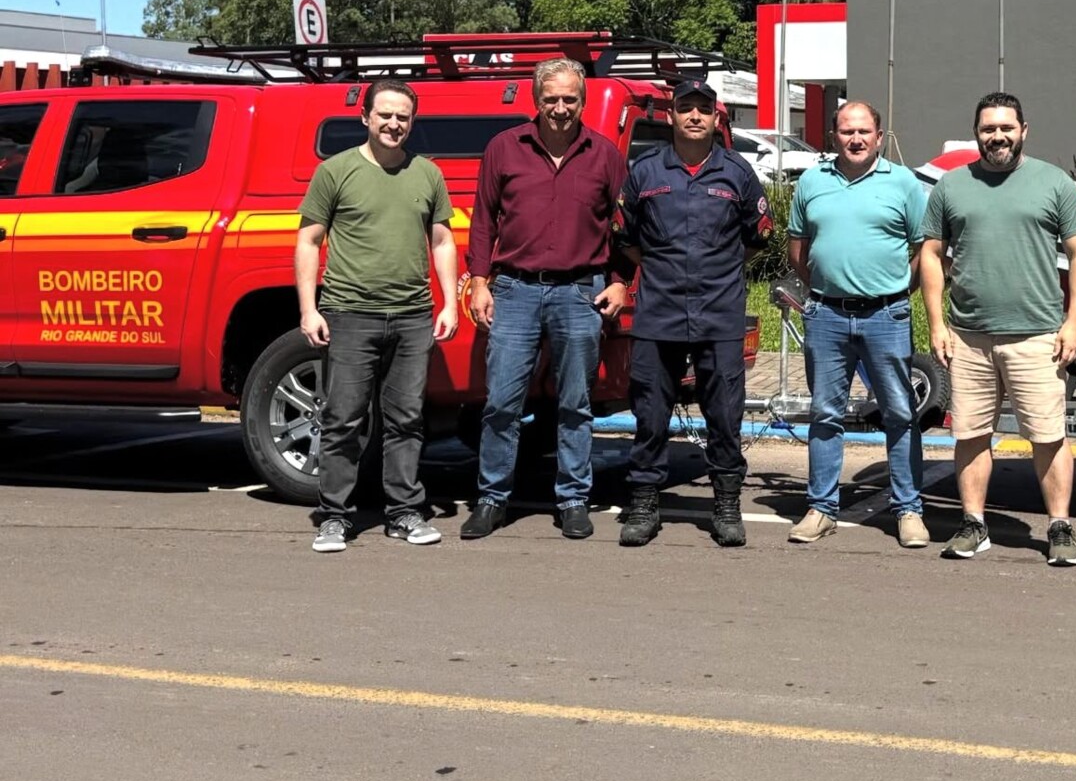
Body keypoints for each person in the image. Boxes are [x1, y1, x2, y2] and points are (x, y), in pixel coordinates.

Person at [920, 92, 1076, 567]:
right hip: (968, 337)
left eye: (1006, 128)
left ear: (1023, 130)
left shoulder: (1053, 183)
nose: (997, 136)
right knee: (971, 435)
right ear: (976, 133)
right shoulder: (952, 187)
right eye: (988, 129)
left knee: (1048, 435)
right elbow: (931, 256)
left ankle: (1059, 527)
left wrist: (1073, 322)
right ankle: (974, 525)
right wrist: (936, 323)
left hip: (1037, 335)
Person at [462, 58, 630, 541]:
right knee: (500, 403)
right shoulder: (504, 148)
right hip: (514, 289)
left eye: (570, 99)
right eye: (551, 99)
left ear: (581, 100)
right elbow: (483, 219)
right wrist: (478, 280)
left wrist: (620, 281)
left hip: (581, 291)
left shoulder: (603, 155)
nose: (560, 108)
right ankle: (492, 499)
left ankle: (574, 498)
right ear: (537, 100)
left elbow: (626, 229)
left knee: (575, 403)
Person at [296, 78, 459, 553]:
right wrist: (309, 309)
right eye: (384, 114)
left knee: (406, 420)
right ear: (365, 117)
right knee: (343, 419)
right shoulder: (336, 171)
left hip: (412, 317)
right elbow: (308, 240)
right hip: (349, 314)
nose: (393, 123)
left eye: (402, 117)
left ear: (412, 122)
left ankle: (404, 513)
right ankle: (333, 517)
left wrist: (449, 301)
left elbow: (443, 241)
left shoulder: (427, 173)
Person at [613, 78, 773, 548]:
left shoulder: (737, 172)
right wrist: (661, 270)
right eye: (686, 108)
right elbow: (625, 236)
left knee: (724, 413)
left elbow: (758, 236)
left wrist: (719, 269)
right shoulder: (644, 171)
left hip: (720, 313)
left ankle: (726, 503)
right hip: (658, 313)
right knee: (650, 412)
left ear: (716, 117)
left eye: (704, 109)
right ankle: (644, 505)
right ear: (671, 116)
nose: (695, 116)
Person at [786, 101, 930, 548]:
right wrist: (826, 289)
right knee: (826, 414)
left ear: (879, 136)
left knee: (900, 414)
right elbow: (797, 249)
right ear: (834, 136)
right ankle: (821, 508)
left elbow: (924, 247)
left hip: (887, 316)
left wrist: (895, 290)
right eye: (847, 131)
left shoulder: (903, 183)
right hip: (826, 315)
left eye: (864, 131)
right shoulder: (812, 182)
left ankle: (909, 511)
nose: (856, 139)